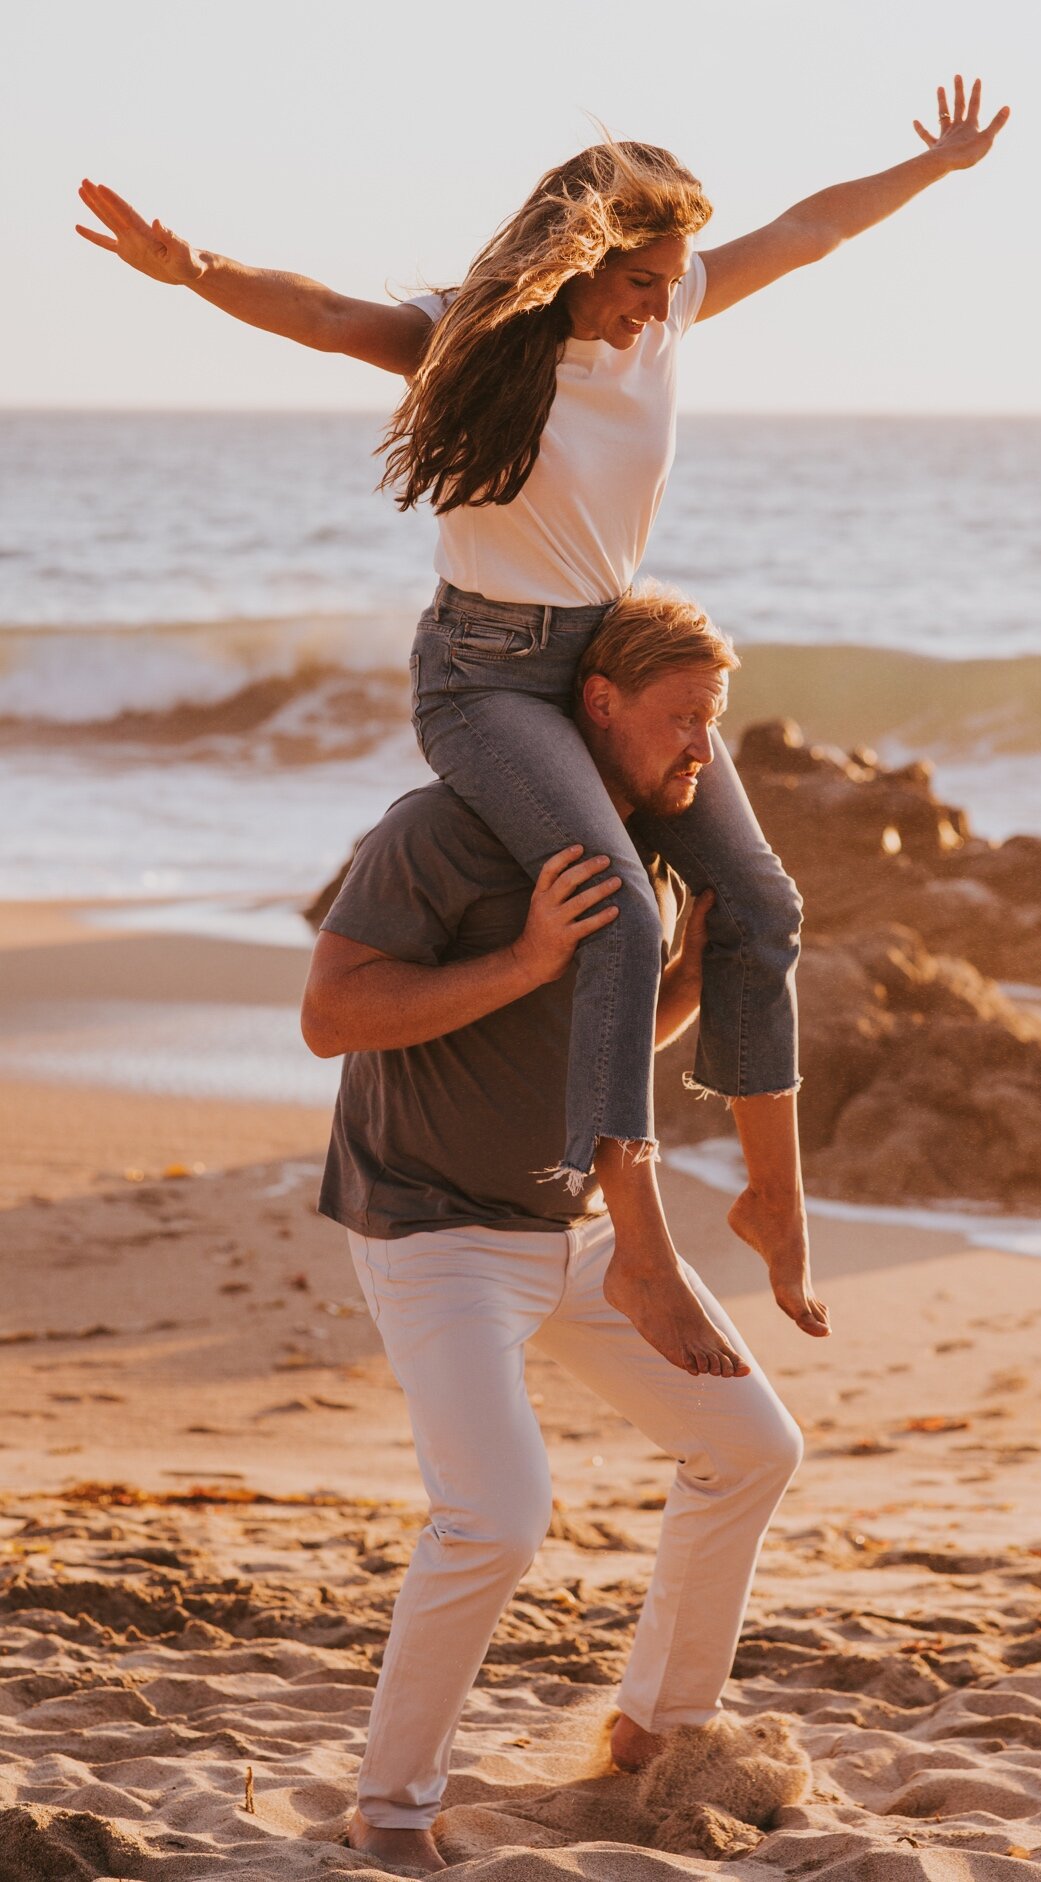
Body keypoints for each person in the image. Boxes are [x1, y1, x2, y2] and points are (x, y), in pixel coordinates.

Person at [76, 76, 1009, 1368]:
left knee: (762, 899)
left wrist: (938, 170)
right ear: (581, 257)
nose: (657, 304)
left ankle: (770, 1194)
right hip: (486, 675)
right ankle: (637, 1245)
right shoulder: (476, 333)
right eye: (640, 279)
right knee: (620, 910)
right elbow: (327, 313)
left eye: (671, 279)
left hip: (606, 659)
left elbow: (809, 232)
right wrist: (194, 270)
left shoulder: (669, 309)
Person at [299, 590, 804, 1874]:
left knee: (749, 1445)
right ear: (598, 701)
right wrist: (527, 957)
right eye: (684, 719)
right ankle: (394, 1808)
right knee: (499, 1516)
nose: (705, 749)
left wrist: (685, 978)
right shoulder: (442, 831)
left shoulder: (650, 841)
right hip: (435, 1229)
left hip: (576, 1223)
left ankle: (659, 1727)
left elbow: (605, 1054)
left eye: (717, 722)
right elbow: (333, 1015)